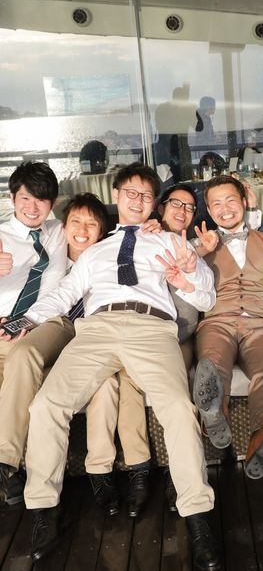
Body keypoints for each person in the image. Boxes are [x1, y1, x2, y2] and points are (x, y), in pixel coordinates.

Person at [12, 163, 220, 568]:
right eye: (130, 192)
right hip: (97, 329)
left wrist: (189, 276)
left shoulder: (171, 242)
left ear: (153, 203)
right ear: (117, 196)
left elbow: (206, 299)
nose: (137, 200)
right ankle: (43, 509)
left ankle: (198, 515)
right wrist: (25, 320)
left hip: (152, 328)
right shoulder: (96, 251)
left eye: (146, 195)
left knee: (179, 409)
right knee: (47, 405)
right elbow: (65, 294)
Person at [84, 184, 209, 517]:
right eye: (175, 204)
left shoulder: (192, 244)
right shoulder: (137, 239)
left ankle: (172, 476)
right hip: (136, 335)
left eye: (189, 207)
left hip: (176, 337)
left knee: (171, 390)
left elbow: (201, 286)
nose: (182, 211)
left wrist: (201, 252)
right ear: (160, 208)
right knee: (124, 383)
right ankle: (137, 470)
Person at [193, 175, 263, 479]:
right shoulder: (199, 245)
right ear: (209, 210)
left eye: (231, 200)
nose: (225, 208)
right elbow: (181, 273)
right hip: (217, 321)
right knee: (213, 366)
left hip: (260, 322)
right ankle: (216, 414)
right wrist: (199, 252)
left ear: (244, 202)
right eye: (217, 203)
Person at [0, 162, 67, 505]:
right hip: (2, 327)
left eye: (41, 200)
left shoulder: (60, 230)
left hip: (46, 322)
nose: (32, 207)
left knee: (24, 356)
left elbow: (96, 226)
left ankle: (4, 464)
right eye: (25, 198)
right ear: (12, 198)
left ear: (51, 203)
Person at [155, 83, 197, 181]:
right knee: (183, 180)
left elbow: (158, 126)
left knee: (166, 180)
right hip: (178, 149)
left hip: (165, 149)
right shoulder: (185, 110)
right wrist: (193, 110)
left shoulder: (162, 108)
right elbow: (199, 127)